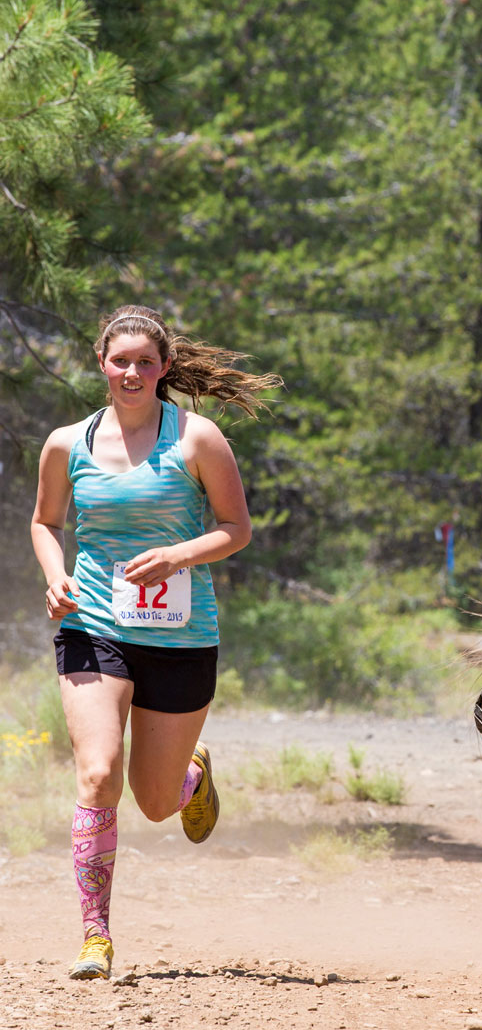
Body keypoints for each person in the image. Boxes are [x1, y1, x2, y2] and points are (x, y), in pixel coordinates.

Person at [30, 304, 281, 981]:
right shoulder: (67, 443)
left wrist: (177, 555)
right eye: (121, 360)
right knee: (98, 773)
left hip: (179, 637)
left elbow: (236, 527)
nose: (133, 371)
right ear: (101, 364)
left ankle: (190, 775)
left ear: (165, 367)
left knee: (151, 797)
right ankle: (94, 936)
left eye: (146, 361)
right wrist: (57, 578)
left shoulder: (198, 439)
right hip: (94, 628)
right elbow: (45, 521)